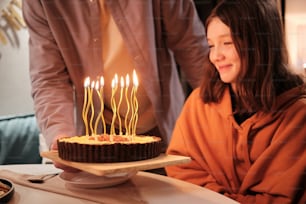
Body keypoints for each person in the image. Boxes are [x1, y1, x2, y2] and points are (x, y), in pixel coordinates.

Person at [22, 0, 208, 172]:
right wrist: (61, 137)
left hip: (162, 131)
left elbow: (192, 46)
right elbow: (49, 77)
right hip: (96, 138)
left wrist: (219, 111)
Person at [165, 0, 306, 203]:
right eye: (211, 45)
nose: (215, 56)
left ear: (259, 43)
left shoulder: (297, 116)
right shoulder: (199, 103)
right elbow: (180, 169)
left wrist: (212, 197)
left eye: (227, 43)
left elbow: (281, 198)